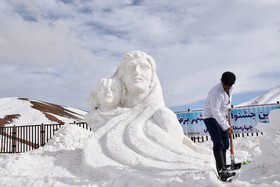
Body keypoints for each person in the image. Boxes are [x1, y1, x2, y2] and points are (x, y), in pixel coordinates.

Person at [203, 71, 236, 182]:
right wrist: (226, 126)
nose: (227, 87)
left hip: (221, 117)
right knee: (218, 142)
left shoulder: (230, 89)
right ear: (221, 81)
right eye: (225, 84)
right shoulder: (216, 93)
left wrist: (227, 106)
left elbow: (224, 102)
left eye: (229, 85)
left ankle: (224, 166)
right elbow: (215, 111)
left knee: (226, 144)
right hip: (210, 117)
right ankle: (222, 171)